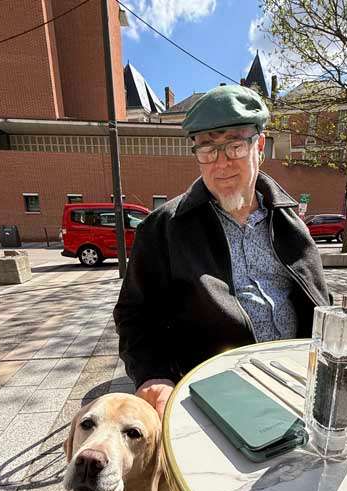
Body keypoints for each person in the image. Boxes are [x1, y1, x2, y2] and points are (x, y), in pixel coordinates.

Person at [113, 83, 330, 419]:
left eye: (234, 146)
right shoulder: (162, 228)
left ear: (259, 145)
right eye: (207, 149)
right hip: (212, 388)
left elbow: (319, 302)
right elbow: (134, 314)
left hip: (296, 379)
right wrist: (153, 373)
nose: (220, 163)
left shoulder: (289, 222)